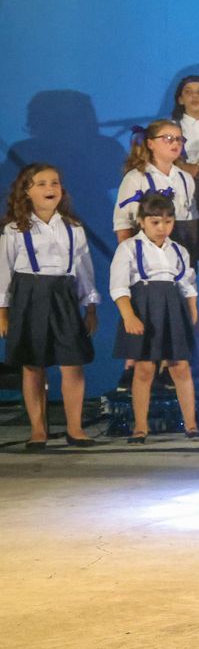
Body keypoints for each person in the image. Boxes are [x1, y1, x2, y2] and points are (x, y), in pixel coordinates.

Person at [0, 164, 99, 449]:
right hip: (29, 295)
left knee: (72, 364)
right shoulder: (14, 230)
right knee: (33, 365)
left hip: (64, 295)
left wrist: (90, 307)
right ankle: (38, 430)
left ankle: (75, 428)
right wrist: (3, 312)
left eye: (54, 183)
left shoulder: (73, 228)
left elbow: (84, 270)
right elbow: (4, 272)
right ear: (26, 191)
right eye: (41, 183)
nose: (50, 188)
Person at [112, 192, 199, 444]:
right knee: (144, 368)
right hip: (144, 306)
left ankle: (192, 425)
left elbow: (188, 285)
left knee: (180, 366)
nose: (162, 228)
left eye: (168, 221)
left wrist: (193, 313)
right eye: (155, 222)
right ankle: (140, 427)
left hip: (173, 307)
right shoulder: (129, 248)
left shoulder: (178, 250)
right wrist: (129, 316)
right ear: (141, 221)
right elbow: (118, 286)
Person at [114, 120, 199, 255]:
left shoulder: (185, 178)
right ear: (150, 144)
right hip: (148, 252)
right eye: (168, 138)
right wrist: (131, 255)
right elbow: (123, 222)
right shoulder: (136, 177)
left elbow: (190, 219)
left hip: (181, 250)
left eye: (179, 139)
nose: (175, 143)